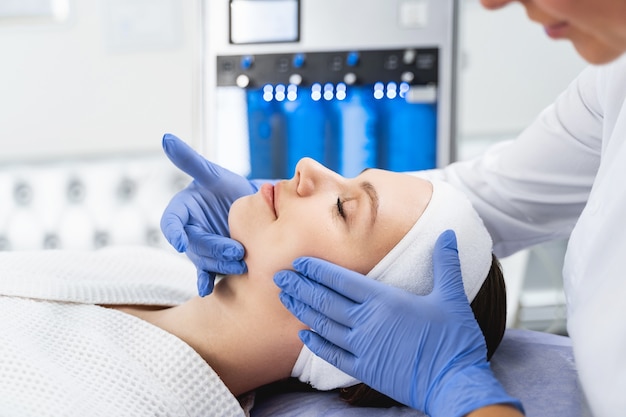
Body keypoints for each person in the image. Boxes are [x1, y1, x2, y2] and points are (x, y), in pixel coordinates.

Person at [159, 0, 626, 416]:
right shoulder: (613, 81)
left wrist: (461, 393)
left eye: (342, 208)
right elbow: (485, 202)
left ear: (345, 345)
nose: (304, 166)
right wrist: (273, 202)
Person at [0, 152, 510, 416]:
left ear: (352, 332)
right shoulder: (154, 271)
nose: (309, 167)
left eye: (342, 207)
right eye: (347, 175)